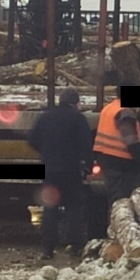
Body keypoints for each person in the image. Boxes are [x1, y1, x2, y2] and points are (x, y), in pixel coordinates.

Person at [29, 87, 93, 260]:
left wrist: (46, 153)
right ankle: (76, 246)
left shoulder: (46, 116)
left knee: (50, 208)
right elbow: (86, 145)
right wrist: (87, 165)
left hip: (49, 169)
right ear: (75, 103)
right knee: (73, 207)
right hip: (71, 170)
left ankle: (47, 249)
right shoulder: (78, 119)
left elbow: (32, 140)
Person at [93, 79, 140, 206]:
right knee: (122, 203)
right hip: (121, 165)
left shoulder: (109, 108)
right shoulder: (124, 112)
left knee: (115, 202)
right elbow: (131, 142)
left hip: (108, 162)